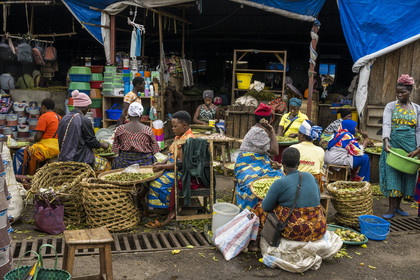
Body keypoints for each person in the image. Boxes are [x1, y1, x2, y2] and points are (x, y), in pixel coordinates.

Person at [250, 147, 327, 251]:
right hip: (318, 227)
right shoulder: (311, 177)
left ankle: (254, 243)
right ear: (299, 163)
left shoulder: (280, 183)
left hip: (294, 230)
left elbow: (266, 207)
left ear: (282, 162)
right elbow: (317, 199)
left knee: (259, 207)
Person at [145, 111, 200, 227]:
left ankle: (171, 208)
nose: (173, 129)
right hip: (172, 166)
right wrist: (162, 162)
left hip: (182, 172)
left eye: (175, 126)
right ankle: (159, 207)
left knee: (157, 183)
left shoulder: (187, 140)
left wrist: (162, 167)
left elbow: (179, 164)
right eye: (172, 126)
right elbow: (171, 155)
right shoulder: (179, 136)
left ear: (184, 125)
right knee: (148, 178)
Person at [380, 74, 420, 219]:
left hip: (411, 146)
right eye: (397, 92)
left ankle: (398, 206)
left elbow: (418, 129)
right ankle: (390, 209)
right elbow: (387, 124)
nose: (399, 95)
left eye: (402, 92)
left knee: (405, 176)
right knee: (392, 174)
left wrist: (418, 149)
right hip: (393, 145)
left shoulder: (416, 109)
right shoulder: (391, 106)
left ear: (410, 91)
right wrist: (386, 140)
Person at [235, 103, 283, 211]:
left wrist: (270, 162)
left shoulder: (257, 130)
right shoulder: (258, 132)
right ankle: (257, 210)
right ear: (268, 120)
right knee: (255, 184)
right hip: (246, 164)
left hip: (255, 162)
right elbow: (275, 151)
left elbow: (264, 153)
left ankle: (270, 208)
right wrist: (272, 131)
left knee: (278, 174)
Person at [57, 90, 110, 173]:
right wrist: (102, 145)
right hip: (79, 159)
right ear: (85, 107)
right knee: (106, 164)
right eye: (88, 107)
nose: (88, 110)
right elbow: (92, 142)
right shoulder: (84, 120)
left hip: (63, 157)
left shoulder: (64, 118)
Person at [13, 98, 61, 175]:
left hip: (48, 148)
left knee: (20, 153)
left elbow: (37, 138)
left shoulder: (44, 116)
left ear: (44, 107)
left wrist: (30, 139)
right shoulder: (59, 117)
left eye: (41, 108)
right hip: (58, 148)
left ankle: (22, 178)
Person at [112, 102, 160, 169]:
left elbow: (115, 150)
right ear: (141, 115)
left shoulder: (120, 129)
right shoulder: (148, 130)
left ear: (128, 115)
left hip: (124, 164)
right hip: (144, 164)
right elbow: (155, 150)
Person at [290, 120, 325, 192]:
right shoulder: (320, 150)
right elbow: (320, 166)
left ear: (302, 136)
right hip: (313, 186)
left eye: (298, 133)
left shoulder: (293, 148)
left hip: (295, 183)